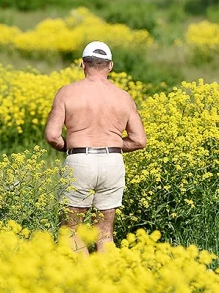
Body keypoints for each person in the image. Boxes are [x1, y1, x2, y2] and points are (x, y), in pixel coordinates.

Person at [44, 41, 147, 254]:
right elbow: (139, 140)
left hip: (80, 160)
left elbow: (52, 135)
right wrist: (113, 145)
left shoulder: (67, 93)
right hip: (112, 162)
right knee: (105, 233)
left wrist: (71, 147)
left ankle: (79, 281)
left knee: (71, 230)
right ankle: (106, 281)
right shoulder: (123, 97)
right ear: (110, 66)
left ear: (83, 64)